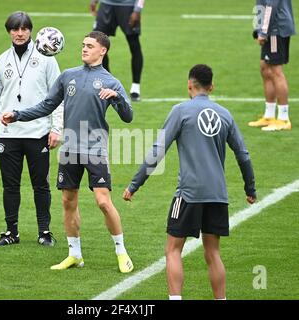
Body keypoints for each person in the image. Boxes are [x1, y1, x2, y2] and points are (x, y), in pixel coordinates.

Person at [0, 31, 134, 273]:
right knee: (67, 201)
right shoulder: (68, 76)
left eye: (90, 46)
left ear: (102, 51)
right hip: (70, 148)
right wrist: (18, 115)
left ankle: (121, 251)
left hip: (94, 148)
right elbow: (46, 106)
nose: (84, 49)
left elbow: (128, 117)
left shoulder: (111, 82)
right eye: (83, 45)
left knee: (103, 202)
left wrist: (117, 99)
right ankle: (75, 255)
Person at [123, 64, 257, 299]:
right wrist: (250, 188)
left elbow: (157, 151)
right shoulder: (224, 114)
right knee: (213, 253)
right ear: (211, 87)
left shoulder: (181, 111)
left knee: (173, 249)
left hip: (188, 194)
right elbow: (243, 154)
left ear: (189, 85)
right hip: (218, 194)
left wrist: (135, 184)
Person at [0, 11, 63, 246]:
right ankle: (11, 232)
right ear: (9, 32)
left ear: (31, 31)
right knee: (10, 185)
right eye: (15, 29)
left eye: (24, 29)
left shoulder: (47, 58)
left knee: (41, 185)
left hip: (39, 133)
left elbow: (58, 96)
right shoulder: (1, 61)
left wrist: (56, 128)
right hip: (9, 135)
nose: (20, 34)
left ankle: (44, 232)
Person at [249, 0, 295, 131]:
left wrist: (263, 32)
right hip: (270, 28)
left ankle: (283, 118)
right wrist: (257, 28)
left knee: (276, 71)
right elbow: (260, 3)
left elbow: (271, 5)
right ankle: (269, 116)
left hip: (276, 29)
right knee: (265, 68)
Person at [90, 0, 144, 101]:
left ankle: (135, 88)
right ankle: (108, 82)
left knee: (134, 45)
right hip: (106, 4)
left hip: (128, 6)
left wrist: (137, 9)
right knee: (98, 43)